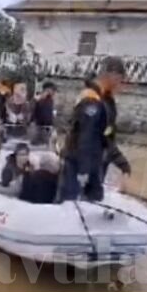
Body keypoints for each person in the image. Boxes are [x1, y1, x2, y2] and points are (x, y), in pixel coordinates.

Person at [59, 56, 127, 202]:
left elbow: (107, 136)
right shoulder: (91, 99)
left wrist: (121, 162)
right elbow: (86, 136)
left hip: (96, 163)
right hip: (79, 163)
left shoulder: (106, 99)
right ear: (111, 74)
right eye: (119, 79)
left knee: (95, 200)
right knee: (72, 203)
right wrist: (84, 170)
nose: (119, 85)